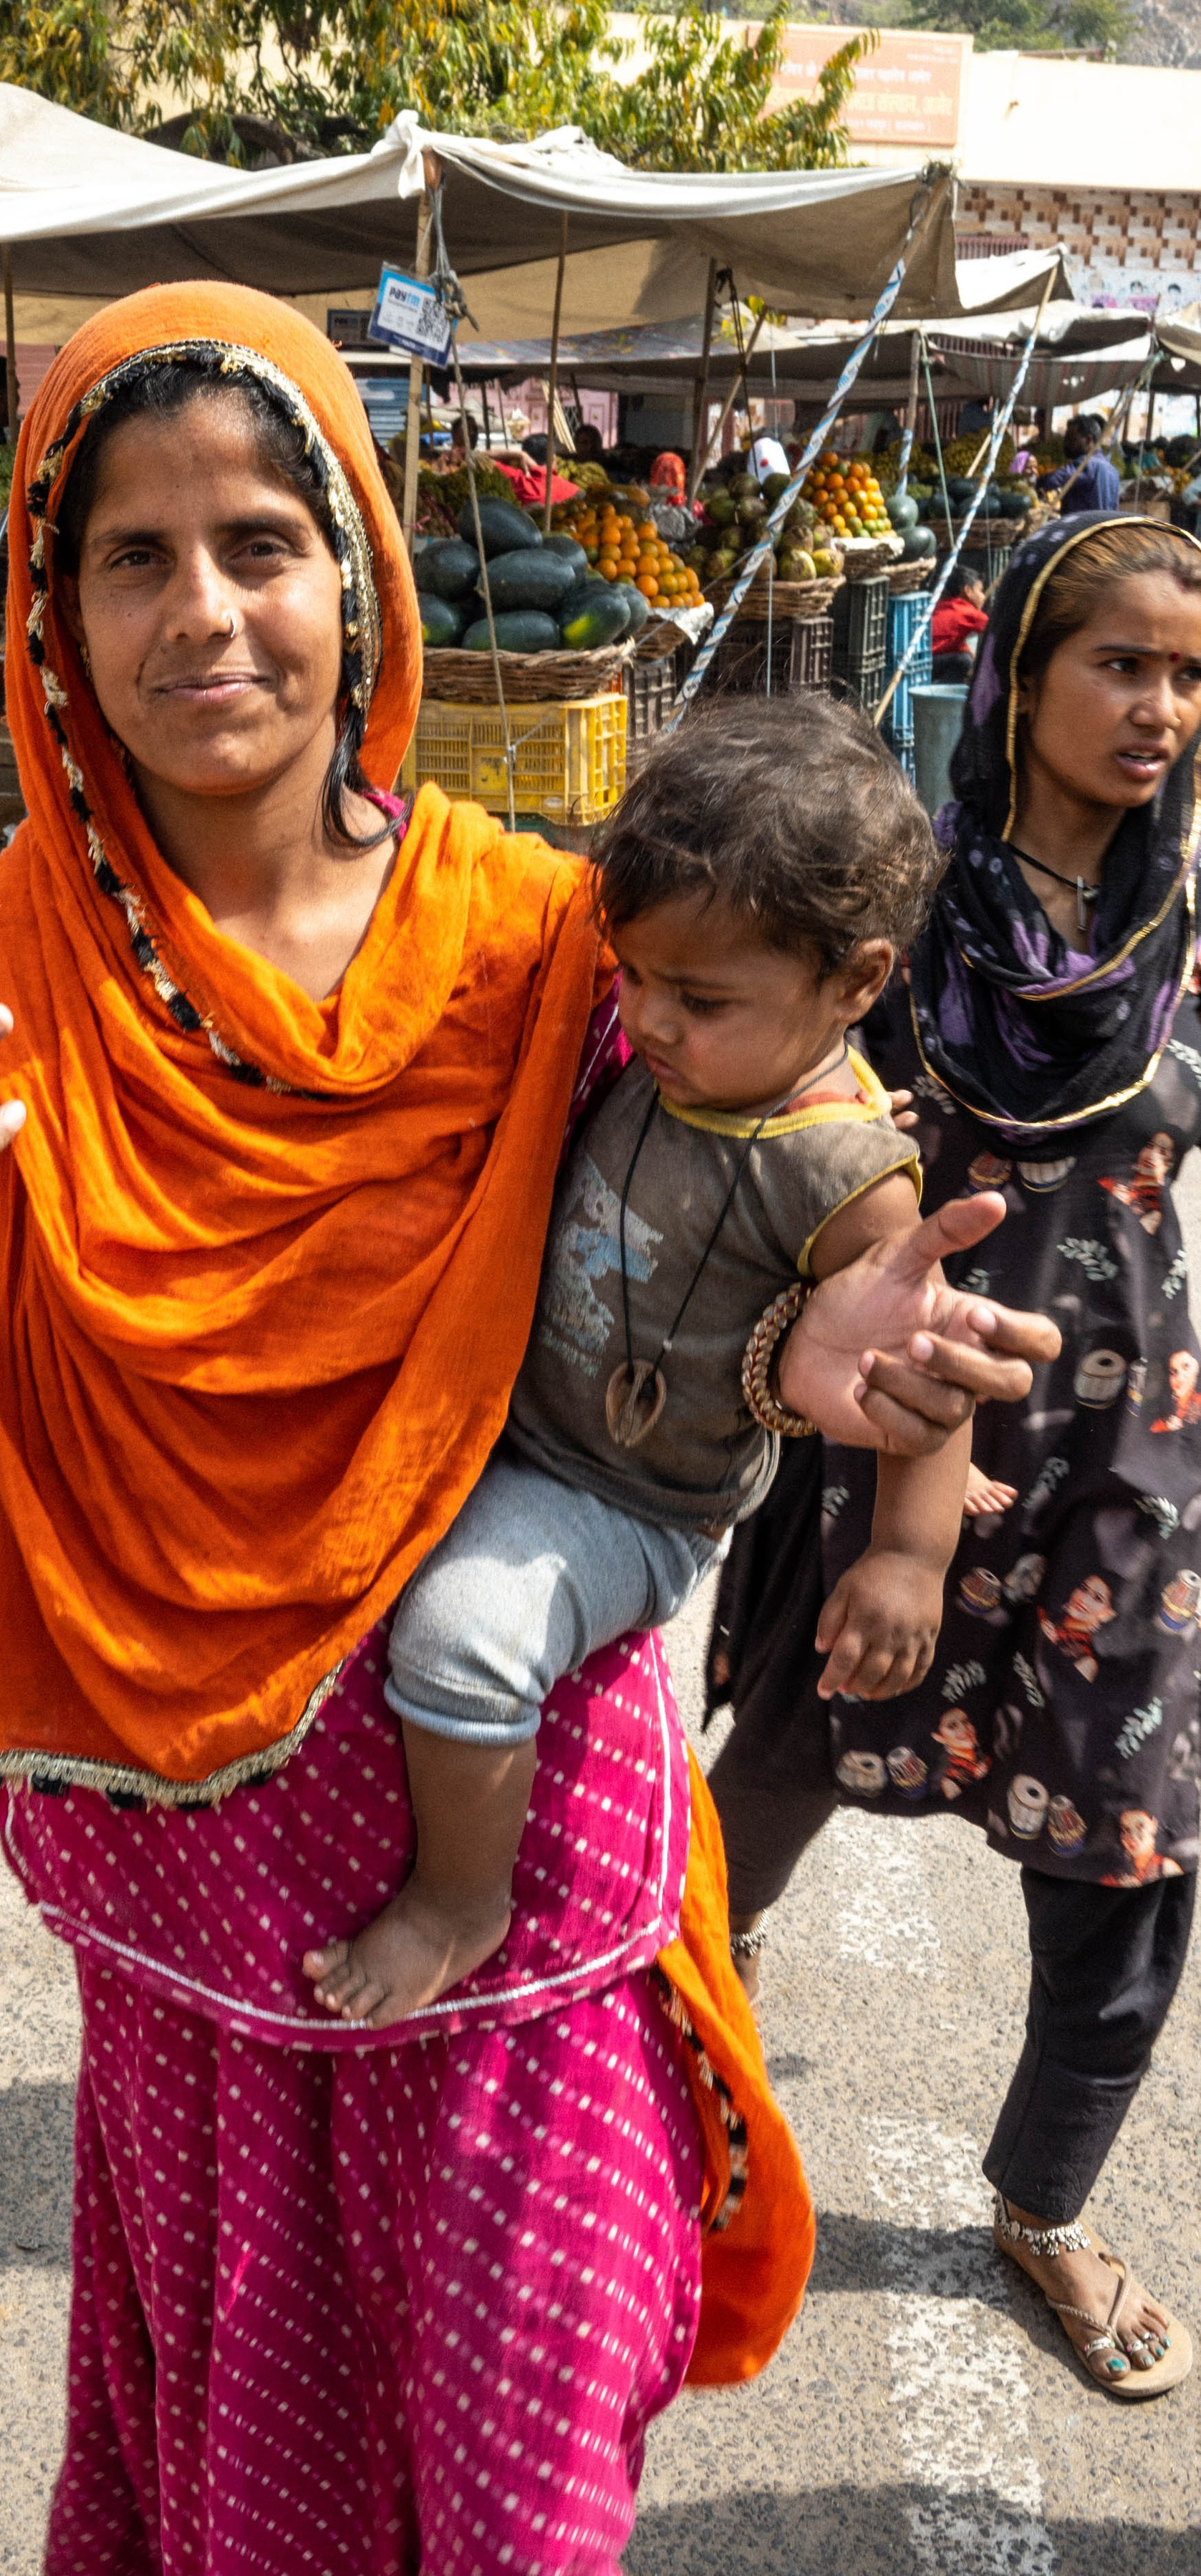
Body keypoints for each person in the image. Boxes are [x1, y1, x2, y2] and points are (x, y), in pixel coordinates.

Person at [0, 284, 1058, 2568]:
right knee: (258, 2485)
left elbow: (761, 1223)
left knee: (523, 2488)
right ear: (53, 617)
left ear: (356, 577)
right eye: (129, 557)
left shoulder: (547, 947)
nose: (202, 610)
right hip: (196, 1919)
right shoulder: (1, 985)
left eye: (259, 539)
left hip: (517, 1898)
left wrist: (810, 1355)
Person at [706, 513, 1201, 2406]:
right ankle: (673, 2082)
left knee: (1126, 1845)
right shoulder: (903, 917)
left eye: (1188, 676)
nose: (1158, 708)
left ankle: (1045, 2203)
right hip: (891, 1444)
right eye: (1119, 663)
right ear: (1019, 677)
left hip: (1123, 1463)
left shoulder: (1179, 928)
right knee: (765, 1786)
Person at [307, 702, 971, 2030]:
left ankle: (461, 1903)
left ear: (856, 982)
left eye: (702, 999)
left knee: (464, 1638)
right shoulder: (673, 1052)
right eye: (638, 976)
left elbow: (923, 1377)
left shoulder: (845, 1174)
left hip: (628, 1498)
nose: (653, 1021)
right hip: (513, 1417)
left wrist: (910, 1558)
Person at [1051, 415, 1123, 517]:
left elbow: (1053, 480)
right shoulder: (1113, 471)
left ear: (1089, 440)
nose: (1066, 444)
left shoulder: (1085, 465)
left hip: (1081, 526)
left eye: (1071, 439)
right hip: (1104, 525)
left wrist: (1035, 481)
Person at [932, 564, 989, 683]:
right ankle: (946, 689)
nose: (984, 597)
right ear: (967, 591)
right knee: (964, 661)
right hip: (934, 661)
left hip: (928, 661)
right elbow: (995, 629)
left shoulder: (941, 605)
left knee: (965, 657)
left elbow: (949, 640)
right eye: (980, 591)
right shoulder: (967, 612)